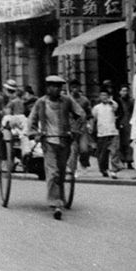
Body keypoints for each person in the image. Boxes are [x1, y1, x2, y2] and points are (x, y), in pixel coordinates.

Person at [27, 75, 84, 220]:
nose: (57, 89)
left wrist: (75, 130)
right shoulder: (41, 102)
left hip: (64, 141)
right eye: (54, 86)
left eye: (59, 86)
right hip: (48, 142)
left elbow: (81, 114)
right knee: (53, 173)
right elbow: (32, 119)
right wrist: (34, 133)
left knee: (62, 172)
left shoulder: (67, 101)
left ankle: (60, 198)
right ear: (48, 88)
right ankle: (55, 203)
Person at [90, 90, 121, 178]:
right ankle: (103, 169)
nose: (104, 97)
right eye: (102, 95)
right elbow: (93, 118)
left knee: (114, 151)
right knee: (103, 154)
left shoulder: (112, 105)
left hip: (113, 131)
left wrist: (110, 101)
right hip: (102, 132)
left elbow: (116, 108)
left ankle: (114, 170)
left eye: (105, 95)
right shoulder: (96, 108)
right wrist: (92, 128)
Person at [116, 84, 135, 171]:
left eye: (126, 91)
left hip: (129, 122)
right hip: (120, 123)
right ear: (120, 92)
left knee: (129, 143)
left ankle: (129, 161)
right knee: (121, 143)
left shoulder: (131, 101)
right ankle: (122, 160)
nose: (124, 92)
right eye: (123, 91)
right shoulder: (117, 101)